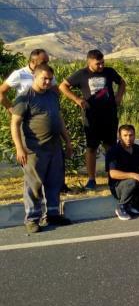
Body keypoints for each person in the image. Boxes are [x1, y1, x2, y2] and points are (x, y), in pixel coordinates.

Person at [10, 64, 73, 233]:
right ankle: (32, 219)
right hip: (34, 150)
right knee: (33, 185)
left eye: (49, 79)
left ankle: (52, 215)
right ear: (34, 78)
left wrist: (67, 141)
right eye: (43, 78)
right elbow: (14, 124)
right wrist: (19, 148)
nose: (47, 82)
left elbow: (59, 119)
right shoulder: (25, 98)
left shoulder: (52, 95)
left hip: (54, 147)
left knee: (54, 182)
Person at [1, 49, 70, 193]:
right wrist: (11, 109)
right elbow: (1, 92)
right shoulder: (19, 74)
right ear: (33, 62)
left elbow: (55, 91)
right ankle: (34, 208)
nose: (46, 64)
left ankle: (54, 199)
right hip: (28, 123)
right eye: (43, 62)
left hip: (47, 121)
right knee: (33, 165)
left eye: (47, 61)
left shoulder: (48, 75)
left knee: (53, 163)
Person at [60, 49, 126, 191]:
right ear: (89, 62)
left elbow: (122, 82)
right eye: (98, 64)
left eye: (103, 63)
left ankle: (113, 176)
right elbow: (62, 86)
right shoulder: (81, 74)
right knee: (91, 148)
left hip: (109, 115)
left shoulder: (109, 72)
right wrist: (77, 99)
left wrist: (119, 97)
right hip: (91, 117)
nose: (101, 66)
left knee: (110, 146)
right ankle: (91, 179)